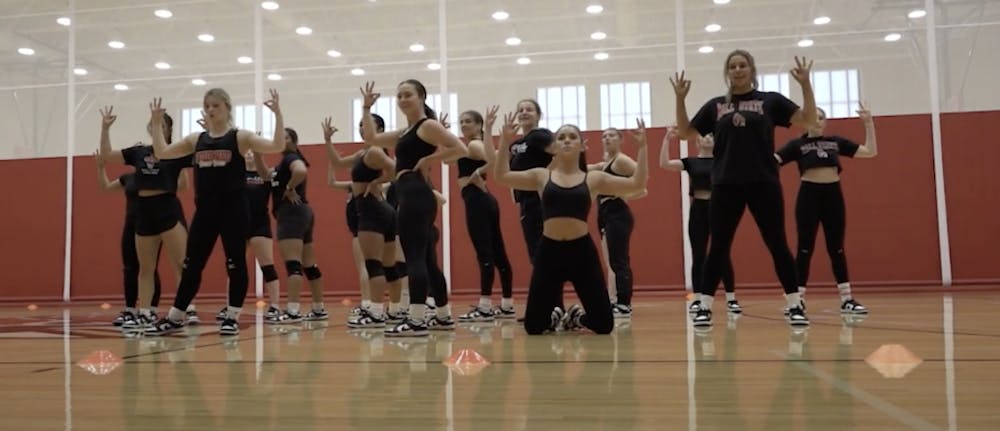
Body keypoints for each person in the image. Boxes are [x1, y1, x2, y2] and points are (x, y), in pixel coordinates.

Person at [671, 51, 818, 327]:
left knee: (777, 244)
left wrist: (805, 85)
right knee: (718, 247)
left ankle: (795, 304)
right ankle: (703, 306)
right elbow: (685, 133)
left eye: (743, 65)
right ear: (727, 72)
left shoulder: (770, 100)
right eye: (733, 66)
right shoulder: (716, 106)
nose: (738, 70)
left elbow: (808, 120)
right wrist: (680, 98)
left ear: (752, 69)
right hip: (726, 184)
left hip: (764, 183)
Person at [146, 88, 286, 336]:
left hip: (234, 210)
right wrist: (157, 124)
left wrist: (277, 114)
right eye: (207, 105)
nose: (211, 110)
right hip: (206, 212)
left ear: (227, 108)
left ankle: (232, 316)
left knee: (235, 263)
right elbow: (162, 152)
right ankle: (176, 316)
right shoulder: (195, 140)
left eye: (216, 106)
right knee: (191, 265)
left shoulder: (240, 137)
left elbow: (276, 145)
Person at [492, 113, 649, 335]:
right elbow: (501, 176)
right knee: (534, 327)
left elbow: (637, 183)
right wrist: (505, 142)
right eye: (562, 137)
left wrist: (642, 148)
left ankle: (577, 316)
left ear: (582, 146)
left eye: (572, 137)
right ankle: (555, 314)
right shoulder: (541, 176)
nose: (566, 140)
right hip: (549, 252)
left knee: (604, 325)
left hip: (582, 253)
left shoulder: (593, 178)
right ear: (554, 146)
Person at [359, 80, 467, 337]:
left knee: (415, 257)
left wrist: (430, 158)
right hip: (412, 193)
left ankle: (417, 319)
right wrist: (365, 107)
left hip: (416, 193)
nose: (402, 99)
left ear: (421, 97)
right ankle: (442, 316)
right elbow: (371, 137)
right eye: (399, 95)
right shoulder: (403, 133)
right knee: (428, 261)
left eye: (408, 94)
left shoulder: (427, 126)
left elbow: (460, 148)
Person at [775, 104, 877, 315]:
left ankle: (847, 299)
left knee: (836, 248)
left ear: (825, 121)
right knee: (804, 248)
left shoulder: (835, 142)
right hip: (808, 196)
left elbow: (870, 152)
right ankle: (797, 299)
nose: (817, 120)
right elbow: (773, 161)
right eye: (813, 117)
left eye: (821, 117)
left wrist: (868, 124)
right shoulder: (797, 144)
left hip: (832, 195)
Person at [97, 106, 190, 332]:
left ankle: (180, 313)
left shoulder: (176, 153)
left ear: (168, 129)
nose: (155, 124)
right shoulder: (139, 152)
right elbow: (107, 155)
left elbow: (197, 171)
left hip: (167, 209)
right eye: (153, 122)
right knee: (145, 268)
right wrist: (105, 128)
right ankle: (146, 313)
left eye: (160, 123)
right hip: (144, 212)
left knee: (181, 265)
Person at [324, 117, 400, 328]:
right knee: (389, 266)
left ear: (380, 130)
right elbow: (339, 163)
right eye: (358, 125)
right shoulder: (363, 153)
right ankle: (395, 311)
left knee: (374, 264)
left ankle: (376, 313)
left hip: (371, 209)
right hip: (381, 210)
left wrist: (377, 181)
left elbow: (396, 170)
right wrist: (328, 141)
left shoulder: (375, 151)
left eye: (365, 125)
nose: (360, 128)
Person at [659, 132, 740, 314]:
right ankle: (697, 298)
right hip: (699, 210)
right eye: (704, 136)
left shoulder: (723, 160)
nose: (708, 138)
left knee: (722, 253)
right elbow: (664, 164)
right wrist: (666, 139)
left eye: (712, 136)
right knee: (699, 254)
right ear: (698, 141)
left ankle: (731, 298)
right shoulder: (691, 162)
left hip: (719, 209)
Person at [455, 107, 515, 322]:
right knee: (498, 252)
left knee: (485, 253)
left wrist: (478, 172)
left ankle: (485, 306)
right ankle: (507, 304)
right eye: (461, 121)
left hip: (477, 201)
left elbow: (496, 157)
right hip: (485, 200)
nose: (463, 125)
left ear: (479, 125)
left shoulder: (474, 143)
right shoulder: (470, 144)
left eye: (468, 121)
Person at [95, 154, 164, 327]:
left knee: (149, 268)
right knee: (129, 267)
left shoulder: (156, 175)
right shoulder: (128, 178)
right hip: (131, 224)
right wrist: (101, 167)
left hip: (151, 225)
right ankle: (130, 310)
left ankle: (151, 310)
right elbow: (105, 187)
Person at [268, 127, 328, 323]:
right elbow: (264, 175)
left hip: (291, 213)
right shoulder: (281, 163)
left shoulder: (290, 158)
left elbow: (300, 170)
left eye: (285, 137)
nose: (281, 140)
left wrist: (289, 187)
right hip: (303, 212)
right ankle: (319, 309)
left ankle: (293, 310)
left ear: (293, 141)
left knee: (293, 264)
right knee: (309, 264)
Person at [587, 127, 646, 319]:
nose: (606, 138)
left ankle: (624, 303)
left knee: (619, 260)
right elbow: (583, 169)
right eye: (604, 136)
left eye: (611, 135)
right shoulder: (604, 165)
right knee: (611, 261)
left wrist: (624, 192)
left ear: (621, 140)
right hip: (603, 212)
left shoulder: (621, 160)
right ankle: (614, 300)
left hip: (617, 213)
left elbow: (642, 179)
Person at [508, 99, 554, 265]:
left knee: (544, 247)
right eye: (521, 110)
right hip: (525, 201)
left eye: (529, 109)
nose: (524, 112)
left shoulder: (540, 136)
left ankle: (547, 288)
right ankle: (544, 288)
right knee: (534, 248)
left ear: (539, 115)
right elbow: (499, 165)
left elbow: (560, 154)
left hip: (540, 199)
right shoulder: (515, 145)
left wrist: (546, 176)